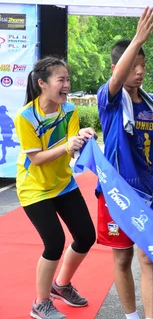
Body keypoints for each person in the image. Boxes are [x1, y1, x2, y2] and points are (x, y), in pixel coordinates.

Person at [95, 7, 153, 319]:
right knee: (121, 259)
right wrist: (136, 39)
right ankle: (131, 316)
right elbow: (116, 80)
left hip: (148, 192)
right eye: (133, 65)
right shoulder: (109, 99)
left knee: (149, 258)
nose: (140, 71)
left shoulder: (150, 105)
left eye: (143, 66)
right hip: (117, 192)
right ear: (118, 67)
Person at [15, 57, 96, 319]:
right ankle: (40, 303)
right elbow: (36, 158)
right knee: (54, 242)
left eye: (68, 79)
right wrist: (67, 145)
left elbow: (73, 152)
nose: (67, 85)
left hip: (63, 184)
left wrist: (85, 137)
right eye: (61, 80)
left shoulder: (69, 110)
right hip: (34, 188)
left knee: (85, 236)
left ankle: (60, 286)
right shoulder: (26, 116)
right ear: (42, 83)